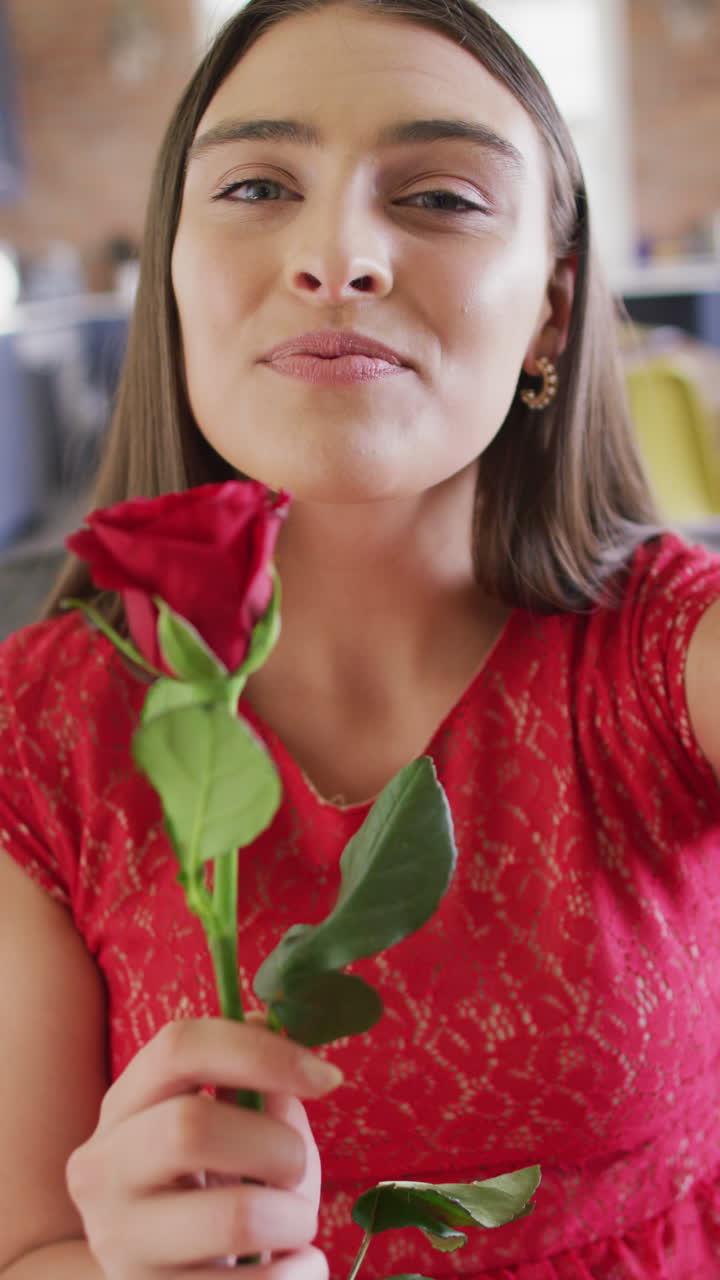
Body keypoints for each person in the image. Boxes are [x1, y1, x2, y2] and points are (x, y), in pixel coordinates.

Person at [1, 0, 719, 1275]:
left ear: (555, 308)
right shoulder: (33, 735)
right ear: (171, 268)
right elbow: (26, 1244)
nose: (338, 255)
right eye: (260, 184)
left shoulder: (669, 653)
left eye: (440, 197)